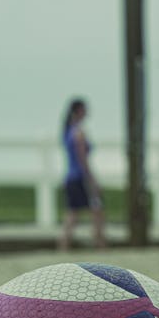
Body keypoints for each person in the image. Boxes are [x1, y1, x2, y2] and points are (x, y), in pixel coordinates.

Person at [57, 97, 107, 251]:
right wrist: (92, 179)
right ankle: (100, 244)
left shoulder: (68, 131)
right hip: (80, 177)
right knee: (97, 210)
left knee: (73, 213)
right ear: (79, 111)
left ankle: (64, 245)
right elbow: (82, 159)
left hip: (71, 177)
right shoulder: (78, 133)